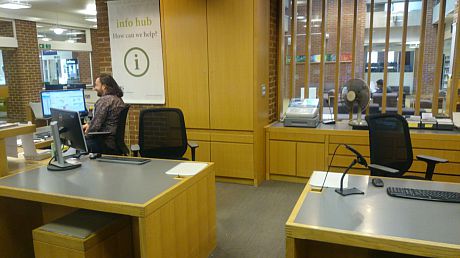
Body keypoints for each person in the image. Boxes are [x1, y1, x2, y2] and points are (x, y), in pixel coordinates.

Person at [83, 74, 125, 154]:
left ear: (104, 86)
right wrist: (88, 124)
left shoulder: (104, 101)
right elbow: (106, 120)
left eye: (96, 85)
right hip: (113, 142)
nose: (94, 88)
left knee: (79, 144)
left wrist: (84, 135)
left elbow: (95, 127)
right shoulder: (117, 99)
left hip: (105, 143)